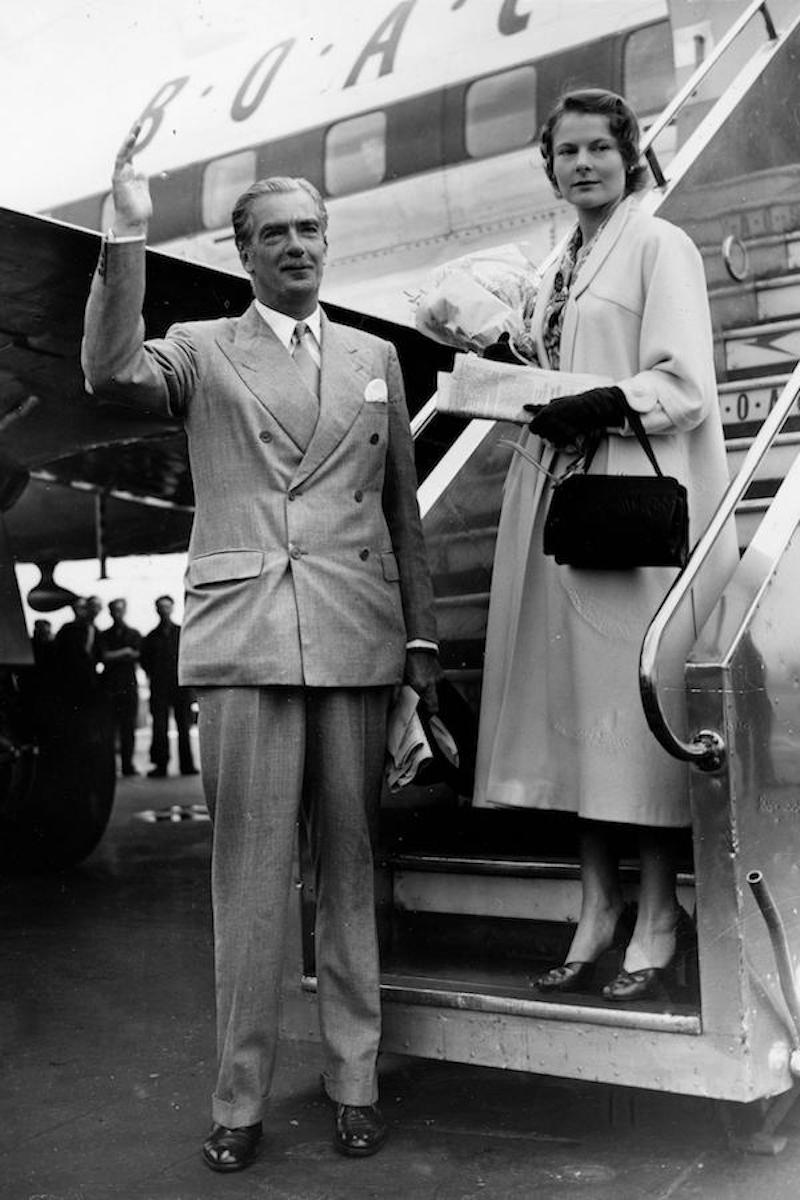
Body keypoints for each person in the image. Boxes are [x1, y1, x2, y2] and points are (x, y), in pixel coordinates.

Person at [81, 126, 439, 1172]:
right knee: (246, 881)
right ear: (243, 252)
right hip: (245, 643)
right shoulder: (197, 348)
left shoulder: (375, 359)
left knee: (351, 869)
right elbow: (107, 370)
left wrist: (417, 660)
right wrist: (126, 231)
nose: (296, 247)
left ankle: (355, 1081)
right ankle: (238, 1100)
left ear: (328, 241)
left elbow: (402, 518)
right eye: (274, 234)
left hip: (354, 641)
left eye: (310, 230)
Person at [473, 90, 738, 1003]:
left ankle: (658, 912)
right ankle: (596, 906)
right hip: (559, 495)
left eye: (599, 148)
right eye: (566, 152)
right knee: (571, 718)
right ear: (549, 167)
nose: (582, 164)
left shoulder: (660, 246)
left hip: (627, 500)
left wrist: (608, 401)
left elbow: (686, 385)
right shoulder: (559, 268)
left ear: (629, 155)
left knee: (627, 719)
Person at [139, 594, 197, 778]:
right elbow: (145, 662)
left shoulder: (182, 633)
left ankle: (187, 765)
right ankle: (161, 765)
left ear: (172, 608)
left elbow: (190, 658)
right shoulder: (150, 637)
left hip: (180, 687)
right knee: (159, 727)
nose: (164, 610)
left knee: (184, 726)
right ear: (156, 610)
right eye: (161, 607)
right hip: (159, 688)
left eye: (167, 606)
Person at [98, 597, 142, 777]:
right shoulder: (106, 635)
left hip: (127, 686)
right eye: (114, 610)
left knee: (127, 728)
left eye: (120, 609)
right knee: (110, 729)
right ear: (110, 612)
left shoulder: (133, 634)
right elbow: (103, 656)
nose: (117, 613)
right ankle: (111, 766)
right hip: (112, 687)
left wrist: (114, 655)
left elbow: (138, 654)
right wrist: (125, 652)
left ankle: (127, 765)